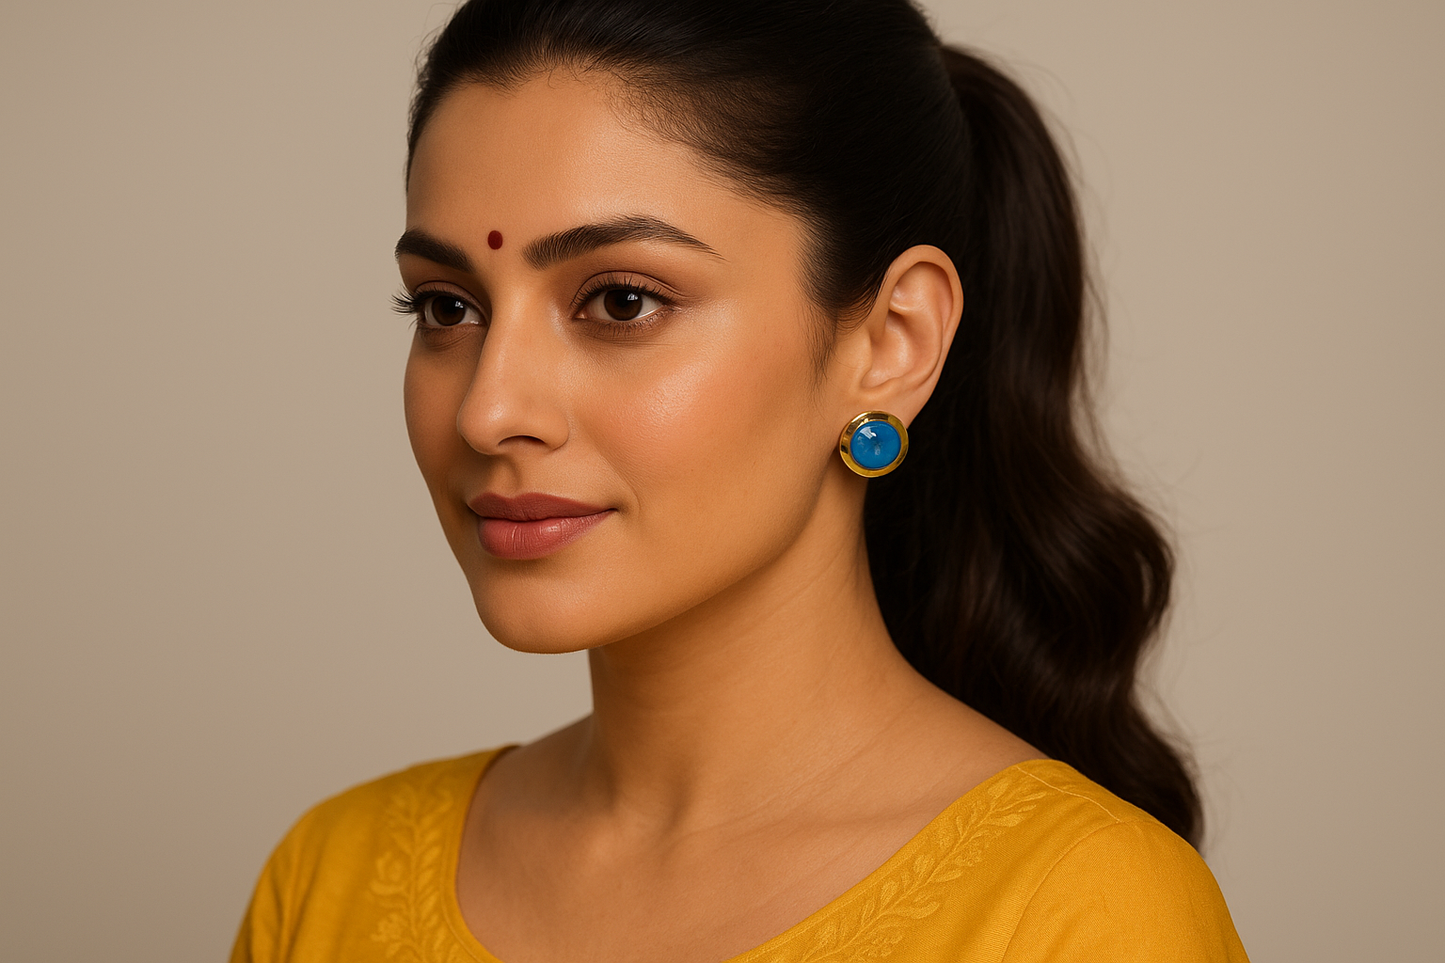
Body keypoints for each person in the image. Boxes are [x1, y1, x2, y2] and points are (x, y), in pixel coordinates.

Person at [230, 1, 1249, 960]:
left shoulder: (1076, 915)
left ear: (890, 343)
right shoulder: (326, 884)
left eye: (620, 300)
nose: (488, 411)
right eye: (446, 308)